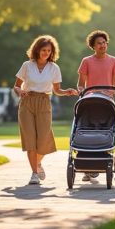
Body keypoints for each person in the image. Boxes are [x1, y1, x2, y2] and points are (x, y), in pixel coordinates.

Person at [14, 35, 78, 185]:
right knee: (30, 140)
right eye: (43, 50)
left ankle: (37, 163)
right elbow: (16, 85)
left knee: (43, 141)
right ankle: (34, 174)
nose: (46, 53)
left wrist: (66, 91)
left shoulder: (54, 68)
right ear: (37, 50)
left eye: (49, 51)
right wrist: (19, 91)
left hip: (44, 102)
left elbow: (57, 90)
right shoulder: (27, 65)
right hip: (27, 102)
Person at [77, 30, 115, 181]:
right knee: (87, 129)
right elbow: (81, 83)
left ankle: (105, 160)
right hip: (89, 101)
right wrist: (81, 92)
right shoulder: (86, 61)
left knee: (107, 130)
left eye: (104, 42)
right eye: (99, 43)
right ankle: (86, 167)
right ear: (93, 46)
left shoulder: (114, 61)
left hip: (107, 101)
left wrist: (110, 93)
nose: (102, 45)